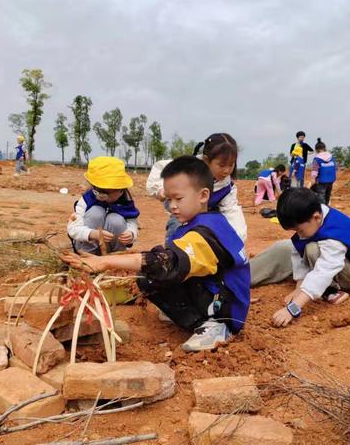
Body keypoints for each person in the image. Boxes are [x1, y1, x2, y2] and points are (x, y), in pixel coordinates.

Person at [62, 156, 250, 352]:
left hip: (227, 308)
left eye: (179, 198)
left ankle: (216, 326)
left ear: (203, 195)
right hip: (212, 287)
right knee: (149, 276)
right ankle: (190, 312)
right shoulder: (203, 221)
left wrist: (106, 262)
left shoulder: (207, 233)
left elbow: (167, 263)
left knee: (158, 269)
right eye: (169, 199)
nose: (173, 206)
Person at [272, 188, 350, 327]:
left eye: (300, 230)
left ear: (317, 217)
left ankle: (332, 290)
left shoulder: (334, 236)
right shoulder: (313, 215)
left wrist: (293, 309)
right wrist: (299, 287)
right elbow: (298, 251)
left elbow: (324, 271)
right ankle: (324, 288)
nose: (299, 235)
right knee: (306, 245)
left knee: (312, 249)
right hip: (342, 263)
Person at [146, 133, 247, 244]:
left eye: (231, 165)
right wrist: (161, 190)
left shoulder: (227, 187)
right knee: (177, 229)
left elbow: (232, 211)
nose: (227, 171)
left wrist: (237, 239)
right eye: (222, 165)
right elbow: (160, 168)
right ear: (206, 160)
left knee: (217, 228)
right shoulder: (188, 167)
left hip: (206, 214)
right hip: (182, 212)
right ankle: (172, 255)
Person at [67, 156, 139, 255]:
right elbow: (72, 228)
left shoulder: (125, 203)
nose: (101, 196)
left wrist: (131, 233)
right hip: (86, 248)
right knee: (96, 212)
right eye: (98, 192)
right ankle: (87, 255)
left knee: (115, 219)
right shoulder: (86, 201)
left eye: (107, 192)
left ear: (121, 190)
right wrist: (92, 234)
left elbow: (132, 223)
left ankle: (117, 257)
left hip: (112, 251)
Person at [311, 138, 336, 205]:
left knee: (321, 196)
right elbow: (335, 168)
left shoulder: (317, 159)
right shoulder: (331, 157)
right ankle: (327, 208)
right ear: (325, 148)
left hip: (321, 181)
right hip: (331, 180)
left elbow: (315, 169)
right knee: (327, 196)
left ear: (316, 150)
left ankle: (323, 210)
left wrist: (313, 178)